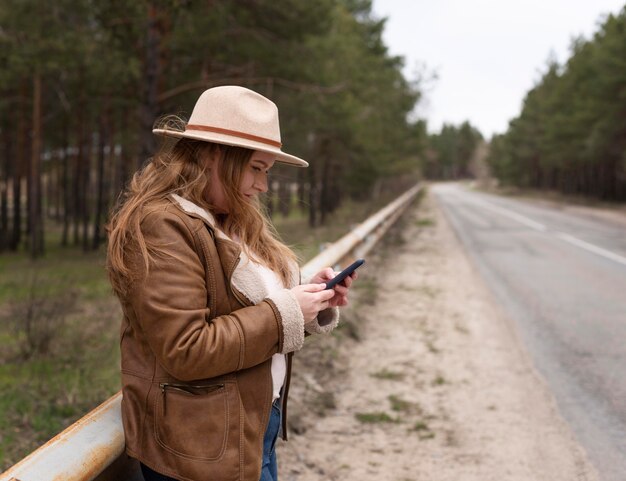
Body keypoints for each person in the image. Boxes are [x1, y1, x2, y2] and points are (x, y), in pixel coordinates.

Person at [106, 85, 356, 481]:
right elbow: (186, 348)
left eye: (267, 172)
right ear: (213, 156)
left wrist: (311, 299)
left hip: (250, 428)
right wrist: (286, 313)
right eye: (256, 168)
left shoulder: (231, 221)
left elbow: (245, 306)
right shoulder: (162, 226)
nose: (263, 186)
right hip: (200, 451)